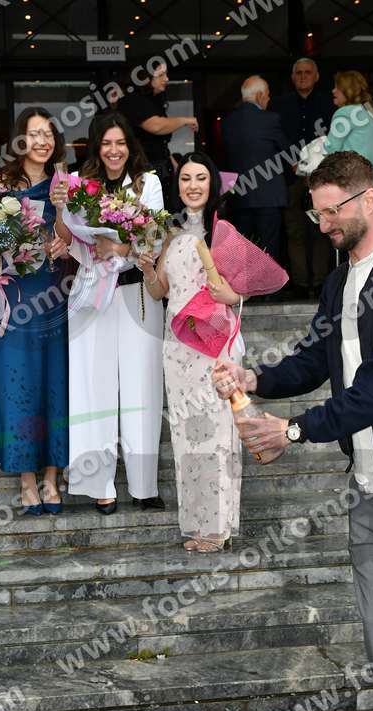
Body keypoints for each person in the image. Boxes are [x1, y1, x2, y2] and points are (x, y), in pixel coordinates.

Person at [212, 151, 373, 711]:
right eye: (315, 214)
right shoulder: (338, 282)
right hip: (367, 491)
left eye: (330, 212)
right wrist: (255, 377)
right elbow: (311, 361)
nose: (322, 225)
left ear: (368, 198)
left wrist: (293, 431)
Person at [51, 110, 165, 515]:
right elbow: (67, 239)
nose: (114, 151)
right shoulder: (78, 184)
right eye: (106, 143)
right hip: (91, 294)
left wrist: (118, 248)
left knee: (142, 388)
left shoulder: (148, 182)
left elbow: (154, 237)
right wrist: (60, 209)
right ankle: (99, 486)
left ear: (129, 145)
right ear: (96, 147)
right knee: (91, 389)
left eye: (120, 143)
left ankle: (144, 486)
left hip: (136, 294)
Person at [0, 107, 70, 515]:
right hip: (16, 301)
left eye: (48, 134)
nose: (42, 141)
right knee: (19, 386)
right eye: (34, 133)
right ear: (20, 139)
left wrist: (64, 228)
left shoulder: (64, 184)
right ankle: (26, 479)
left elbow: (76, 238)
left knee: (57, 384)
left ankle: (52, 477)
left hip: (56, 297)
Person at [137, 152, 243, 552]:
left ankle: (218, 528)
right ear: (177, 185)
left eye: (201, 177)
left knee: (216, 433)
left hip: (214, 345)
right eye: (186, 178)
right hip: (177, 348)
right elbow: (160, 291)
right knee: (186, 436)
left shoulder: (223, 231)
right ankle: (198, 526)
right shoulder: (171, 233)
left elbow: (239, 292)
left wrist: (228, 294)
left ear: (212, 183)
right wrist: (148, 270)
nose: (193, 185)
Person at [273, 58, 335, 296]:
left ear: (316, 76)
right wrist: (291, 160)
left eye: (308, 72)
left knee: (322, 228)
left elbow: (333, 138)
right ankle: (299, 284)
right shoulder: (280, 104)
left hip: (321, 177)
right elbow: (276, 135)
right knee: (294, 230)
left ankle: (319, 283)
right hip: (291, 176)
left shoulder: (328, 104)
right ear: (292, 77)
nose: (303, 76)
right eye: (298, 72)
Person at [222, 75, 291, 265]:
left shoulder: (228, 121)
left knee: (242, 250)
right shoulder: (270, 119)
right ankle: (267, 285)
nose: (268, 99)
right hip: (268, 196)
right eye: (267, 95)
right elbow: (289, 153)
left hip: (239, 196)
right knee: (268, 250)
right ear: (260, 95)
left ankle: (245, 284)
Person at [118, 62, 198, 208]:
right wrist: (185, 120)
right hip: (141, 170)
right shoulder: (132, 100)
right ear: (145, 78)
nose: (166, 78)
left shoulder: (156, 100)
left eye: (166, 74)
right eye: (161, 75)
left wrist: (174, 165)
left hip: (162, 168)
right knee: (149, 212)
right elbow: (156, 126)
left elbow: (160, 143)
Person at [325, 71, 373, 198]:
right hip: (369, 186)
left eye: (337, 88)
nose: (333, 91)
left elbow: (330, 149)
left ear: (347, 91)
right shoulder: (368, 113)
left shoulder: (345, 113)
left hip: (350, 186)